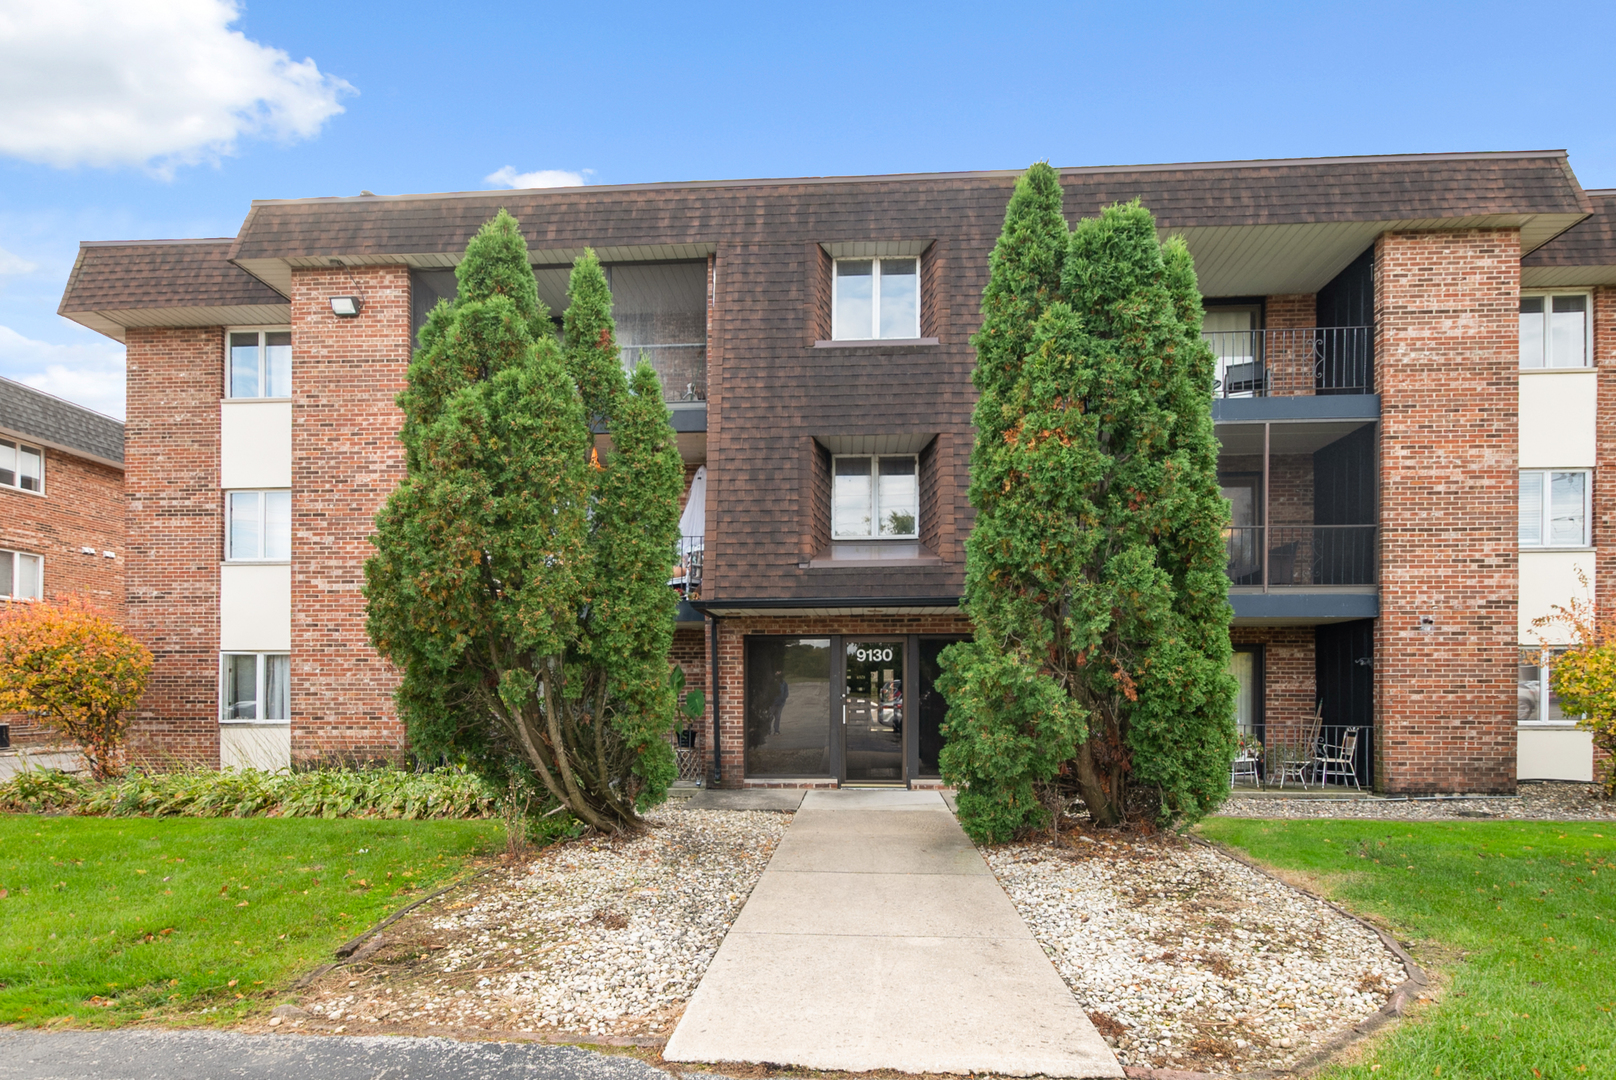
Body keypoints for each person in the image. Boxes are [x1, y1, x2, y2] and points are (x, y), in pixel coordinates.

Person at [770, 670, 789, 734]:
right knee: (770, 717)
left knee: (778, 717)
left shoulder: (784, 683)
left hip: (780, 703)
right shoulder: (772, 683)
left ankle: (776, 730)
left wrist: (783, 699)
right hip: (772, 703)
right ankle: (768, 730)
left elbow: (786, 692)